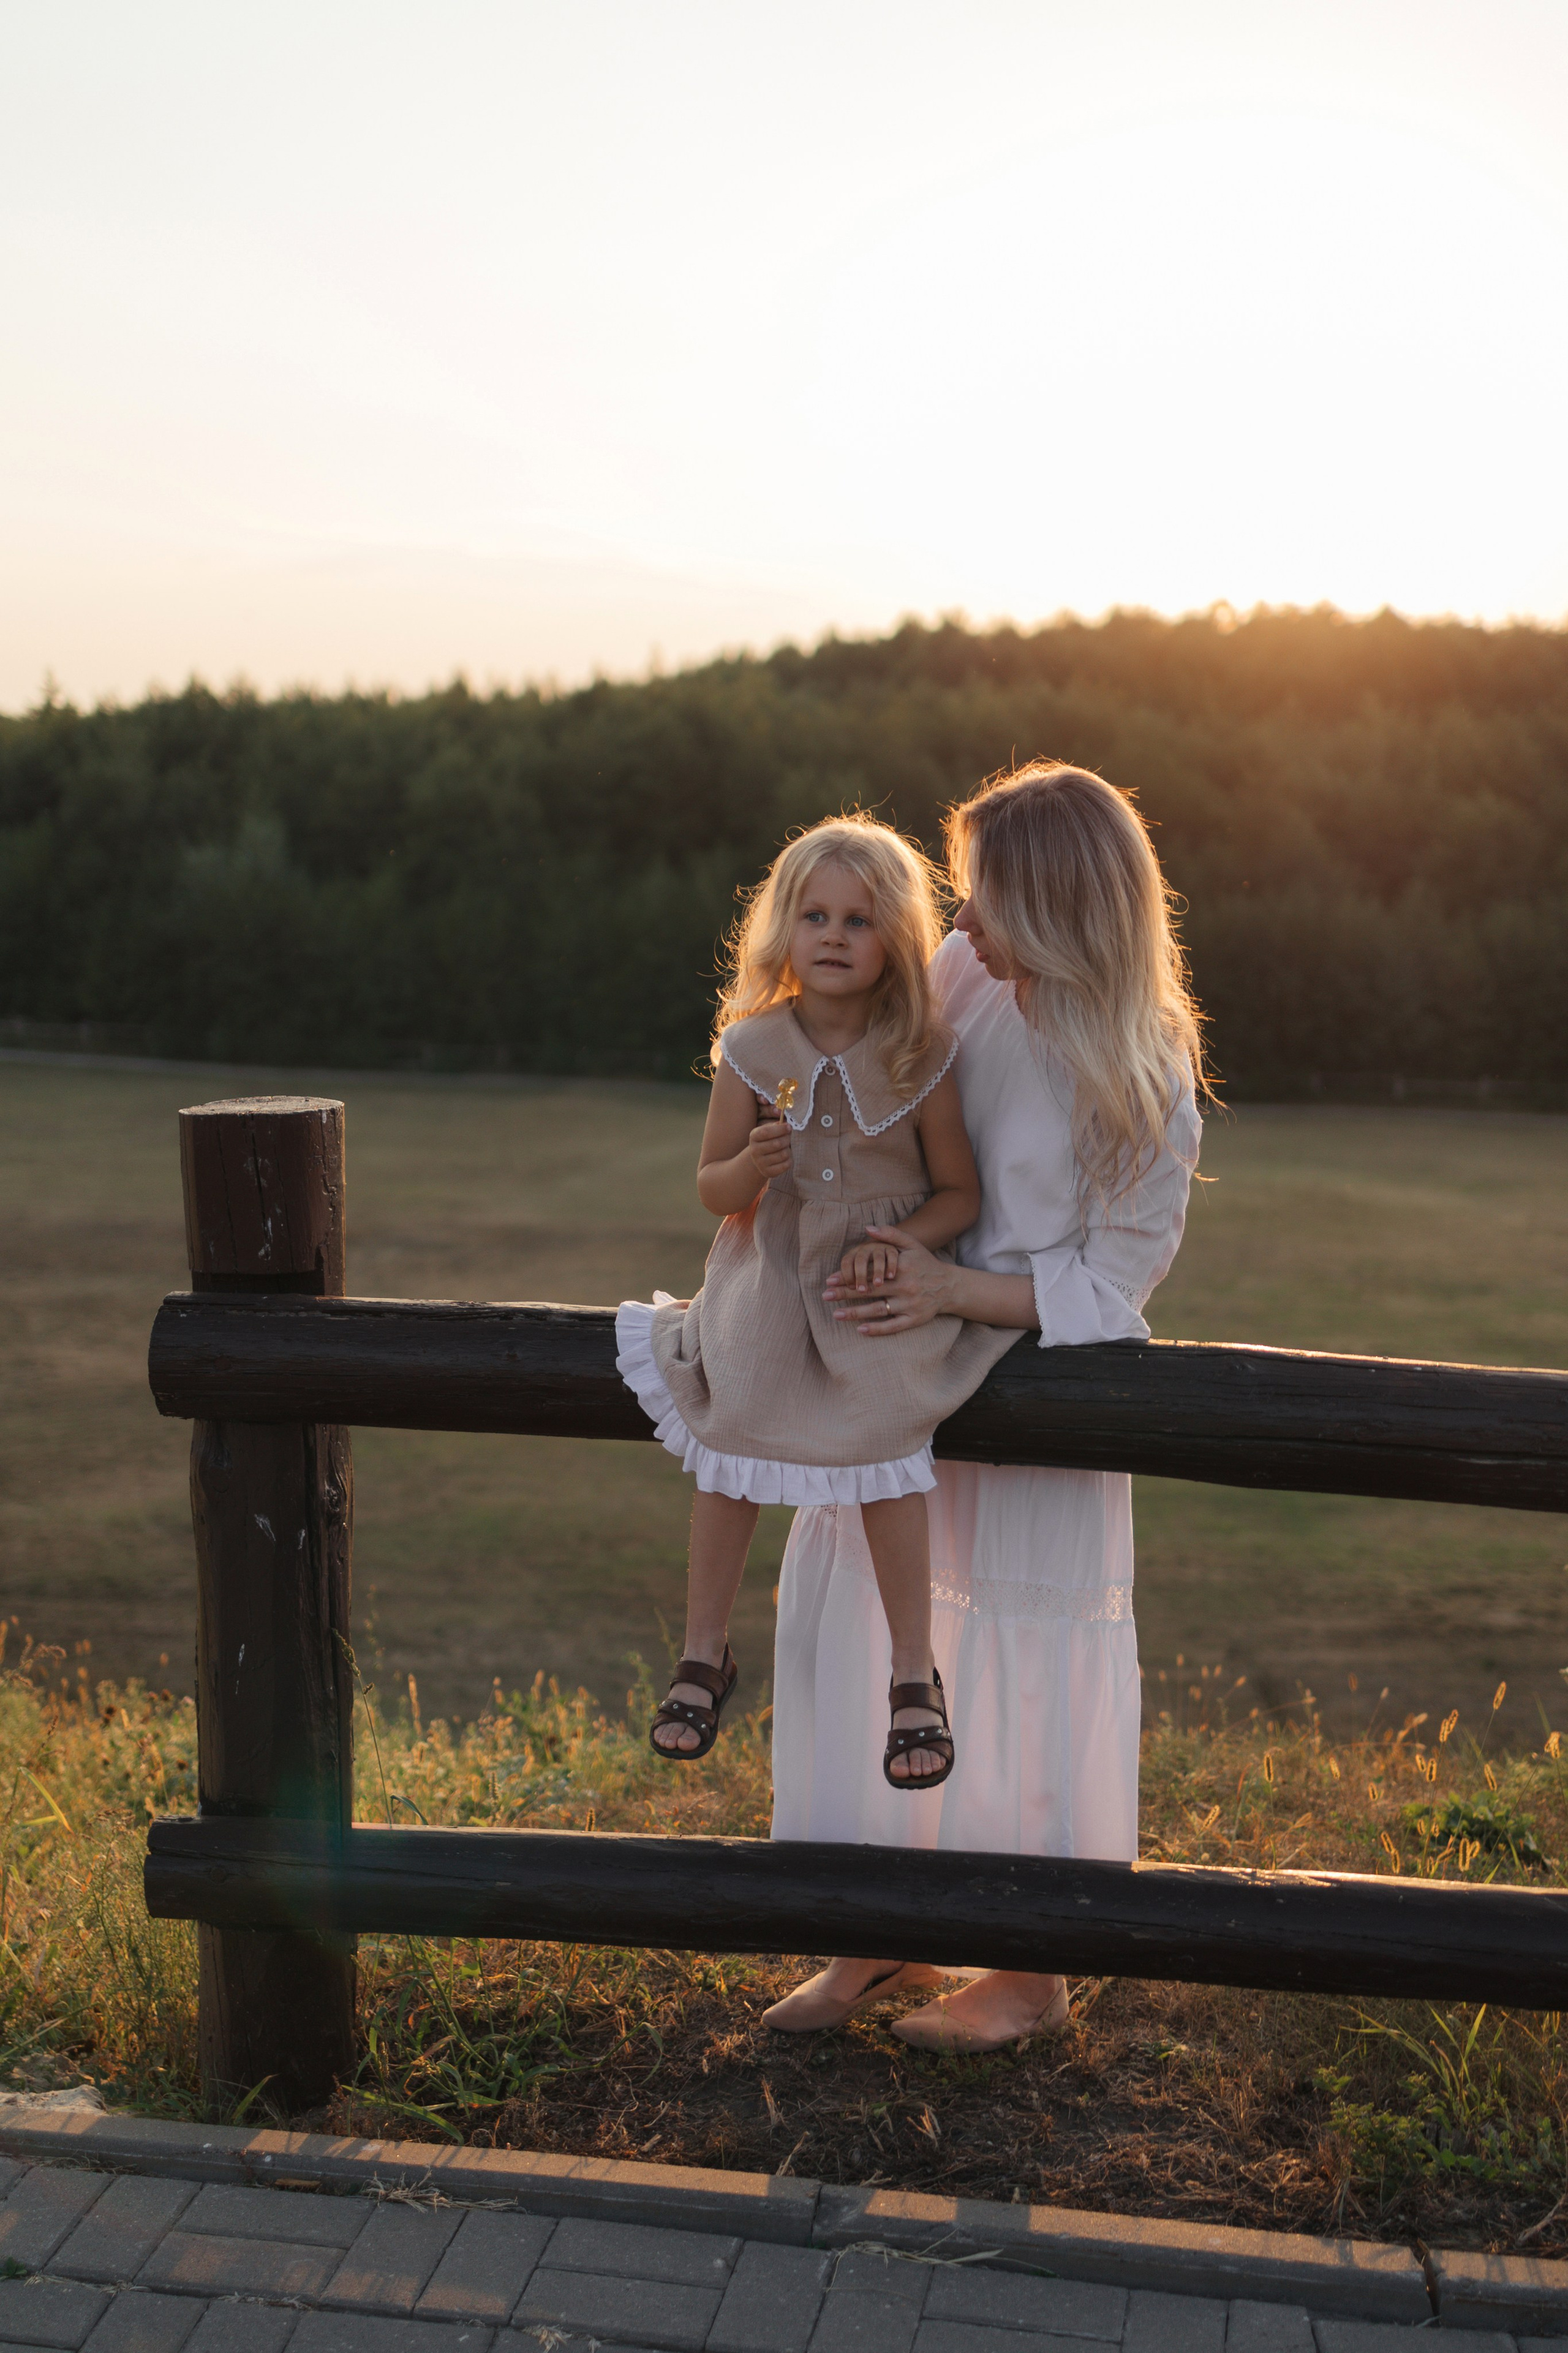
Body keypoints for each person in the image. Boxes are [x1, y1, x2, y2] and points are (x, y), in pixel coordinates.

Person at [763, 762, 1206, 2049]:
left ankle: (1027, 1966)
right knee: (874, 1637)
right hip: (900, 1373)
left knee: (1014, 1657)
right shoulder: (963, 980)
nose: (955, 924)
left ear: (1059, 904)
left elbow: (1115, 1278)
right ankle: (876, 1924)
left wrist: (954, 1287)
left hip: (1035, 1395)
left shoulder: (1141, 1064)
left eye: (981, 898)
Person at [616, 815, 1018, 1785]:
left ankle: (912, 1675)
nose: (835, 935)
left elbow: (959, 1194)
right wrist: (746, 1166)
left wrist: (903, 1243)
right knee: (732, 1405)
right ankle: (704, 1649)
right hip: (771, 1266)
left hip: (868, 1278)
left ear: (896, 942)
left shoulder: (923, 1054)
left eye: (861, 920)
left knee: (889, 1429)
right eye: (815, 915)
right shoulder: (752, 1047)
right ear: (783, 931)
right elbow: (711, 1185)